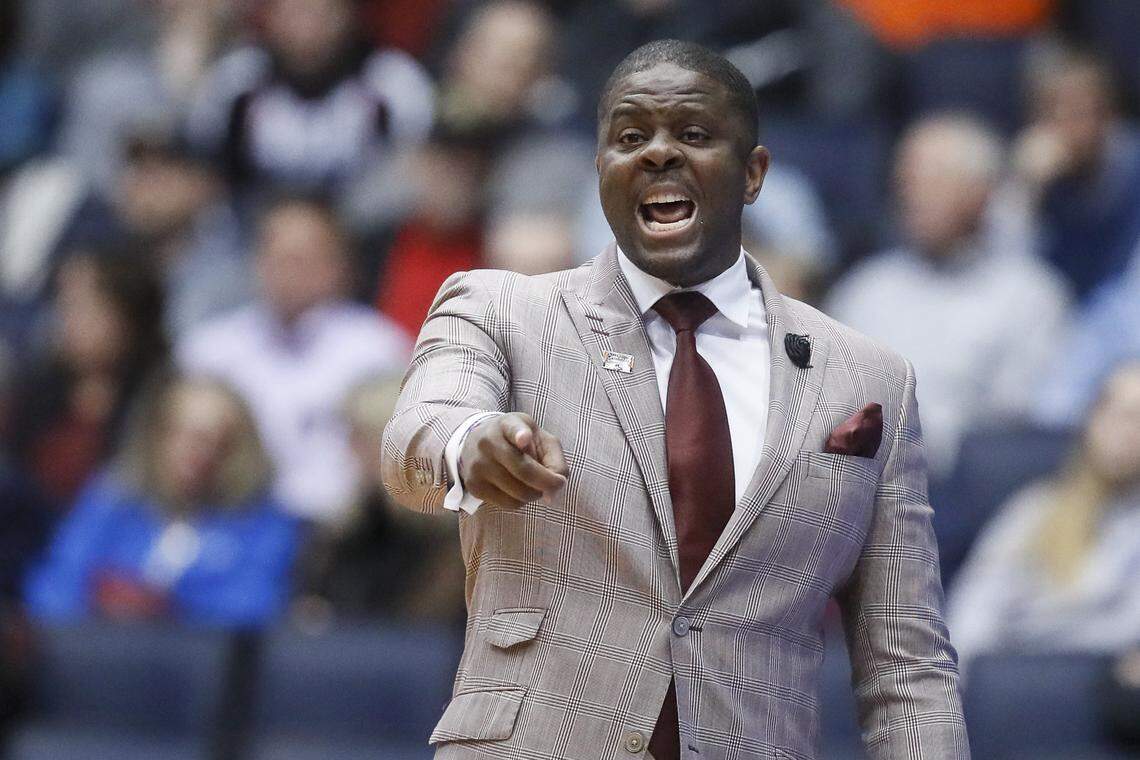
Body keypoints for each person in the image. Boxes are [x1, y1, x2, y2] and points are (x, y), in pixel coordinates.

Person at [382, 39, 967, 759]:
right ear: (601, 171)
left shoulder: (868, 379)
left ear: (753, 174)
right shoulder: (503, 310)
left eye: (692, 134)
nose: (658, 154)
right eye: (631, 137)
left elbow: (906, 669)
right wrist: (471, 445)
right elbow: (416, 434)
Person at [826, 114, 1070, 474]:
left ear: (982, 193)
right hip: (856, 478)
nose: (911, 194)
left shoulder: (1030, 295)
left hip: (967, 488)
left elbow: (1020, 425)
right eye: (906, 179)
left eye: (933, 180)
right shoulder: (865, 288)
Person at [178, 196, 410, 523]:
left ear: (340, 266)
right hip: (226, 522)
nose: (288, 273)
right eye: (278, 257)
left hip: (336, 526)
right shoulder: (209, 350)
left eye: (303, 260)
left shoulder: (379, 350)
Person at [23, 374, 300, 628]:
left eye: (216, 440)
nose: (197, 452)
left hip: (201, 669)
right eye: (182, 433)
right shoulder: (113, 500)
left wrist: (165, 606)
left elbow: (256, 605)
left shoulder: (262, 521)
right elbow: (52, 587)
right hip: (98, 660)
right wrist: (100, 604)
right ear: (157, 436)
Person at [947, 360, 1140, 675]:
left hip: (1090, 686)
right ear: (1091, 420)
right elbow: (973, 611)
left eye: (1137, 419)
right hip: (1005, 680)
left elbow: (1128, 628)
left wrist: (1033, 643)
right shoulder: (1035, 508)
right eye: (1116, 413)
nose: (1126, 432)